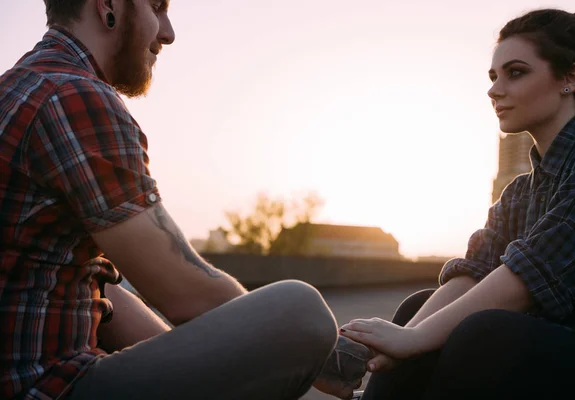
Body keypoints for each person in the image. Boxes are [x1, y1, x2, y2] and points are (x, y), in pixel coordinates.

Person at [0, 1, 371, 399]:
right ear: (107, 5)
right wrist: (326, 351)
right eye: (156, 7)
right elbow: (184, 292)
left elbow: (91, 286)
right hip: (50, 389)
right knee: (301, 312)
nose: (168, 32)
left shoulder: (18, 88)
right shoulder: (73, 97)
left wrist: (198, 362)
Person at [340, 7, 575, 400]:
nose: (495, 90)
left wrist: (415, 340)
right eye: (494, 77)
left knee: (482, 333)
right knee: (419, 307)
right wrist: (397, 343)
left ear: (570, 77)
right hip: (548, 352)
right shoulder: (519, 192)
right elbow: (473, 274)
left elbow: (528, 277)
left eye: (516, 72)